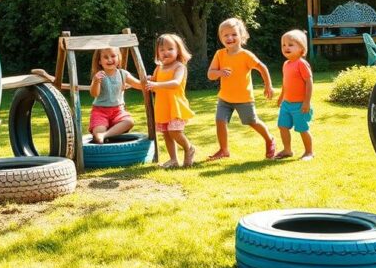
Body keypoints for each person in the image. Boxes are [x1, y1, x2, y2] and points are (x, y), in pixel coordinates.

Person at [206, 18, 276, 160]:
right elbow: (210, 74)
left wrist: (268, 85)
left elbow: (262, 68)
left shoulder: (246, 55)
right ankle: (224, 150)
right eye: (226, 35)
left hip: (244, 99)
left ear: (241, 36)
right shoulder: (220, 54)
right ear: (221, 37)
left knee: (252, 121)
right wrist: (219, 72)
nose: (230, 38)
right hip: (225, 98)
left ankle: (269, 139)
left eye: (234, 34)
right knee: (220, 121)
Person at [145, 34, 196, 168]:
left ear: (178, 50)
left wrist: (156, 84)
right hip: (163, 106)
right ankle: (173, 160)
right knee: (166, 134)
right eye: (161, 50)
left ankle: (189, 148)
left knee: (175, 131)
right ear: (157, 53)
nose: (165, 52)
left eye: (170, 49)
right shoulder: (159, 68)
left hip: (175, 105)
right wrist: (150, 79)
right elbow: (155, 81)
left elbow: (176, 83)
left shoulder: (179, 67)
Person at [88, 46, 142, 144]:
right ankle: (103, 133)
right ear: (99, 61)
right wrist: (96, 81)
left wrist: (149, 80)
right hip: (100, 111)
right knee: (98, 133)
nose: (109, 60)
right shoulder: (99, 75)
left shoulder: (123, 74)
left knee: (129, 122)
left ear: (119, 58)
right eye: (105, 57)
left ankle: (105, 135)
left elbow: (139, 85)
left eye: (113, 56)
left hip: (118, 111)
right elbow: (94, 93)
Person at [275, 29, 315, 161]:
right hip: (286, 104)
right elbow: (285, 82)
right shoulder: (286, 64)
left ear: (301, 49)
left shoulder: (301, 63)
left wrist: (306, 102)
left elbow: (309, 82)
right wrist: (281, 97)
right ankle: (287, 150)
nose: (286, 47)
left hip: (300, 105)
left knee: (302, 129)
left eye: (290, 45)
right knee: (282, 126)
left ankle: (309, 152)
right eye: (283, 45)